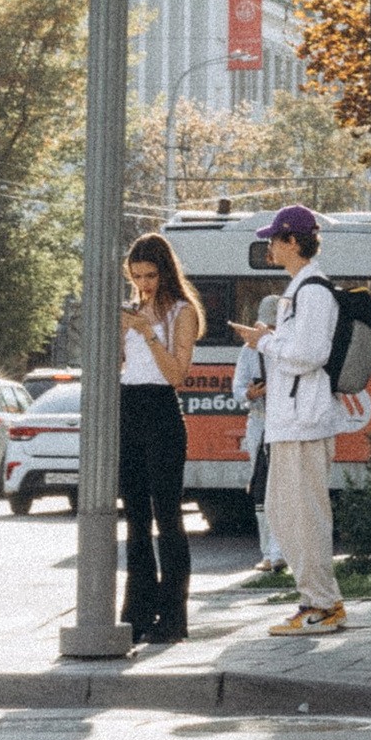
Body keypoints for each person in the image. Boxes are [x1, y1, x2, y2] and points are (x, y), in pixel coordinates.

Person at [229, 204, 347, 638]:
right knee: (284, 512)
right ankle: (315, 599)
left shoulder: (312, 290)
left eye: (274, 239)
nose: (269, 247)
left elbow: (310, 353)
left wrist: (266, 341)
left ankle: (322, 603)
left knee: (304, 515)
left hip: (304, 421)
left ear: (292, 241)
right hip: (291, 420)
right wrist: (270, 341)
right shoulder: (300, 289)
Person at [117, 234, 202, 648]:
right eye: (136, 276)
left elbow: (177, 375)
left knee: (167, 516)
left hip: (161, 411)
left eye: (150, 275)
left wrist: (149, 332)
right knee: (134, 518)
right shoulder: (130, 310)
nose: (144, 284)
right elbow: (118, 365)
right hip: (128, 408)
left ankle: (172, 617)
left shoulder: (181, 313)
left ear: (165, 272)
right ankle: (136, 612)